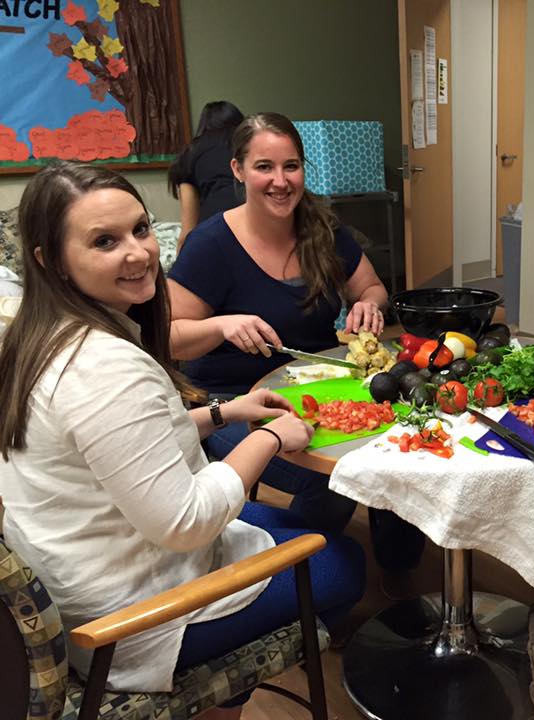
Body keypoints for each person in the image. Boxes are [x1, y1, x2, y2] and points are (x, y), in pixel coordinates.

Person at [0, 163, 366, 716]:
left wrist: (225, 413)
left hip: (81, 574)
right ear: (49, 260)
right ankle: (216, 691)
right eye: (105, 241)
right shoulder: (105, 369)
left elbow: (130, 445)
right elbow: (186, 521)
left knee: (296, 527)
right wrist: (266, 437)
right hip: (127, 621)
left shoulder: (38, 334)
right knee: (343, 563)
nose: (139, 253)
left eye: (141, 230)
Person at [167, 112, 424, 584]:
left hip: (320, 382)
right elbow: (167, 334)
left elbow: (373, 288)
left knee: (396, 449)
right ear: (238, 170)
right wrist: (222, 325)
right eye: (265, 166)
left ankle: (400, 577)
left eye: (292, 166)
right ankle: (299, 577)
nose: (281, 181)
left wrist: (369, 306)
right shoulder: (210, 244)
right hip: (230, 399)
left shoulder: (322, 228)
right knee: (331, 480)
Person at [167, 100, 245, 246]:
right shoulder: (249, 145)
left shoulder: (192, 151)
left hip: (214, 228)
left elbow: (188, 229)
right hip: (256, 222)